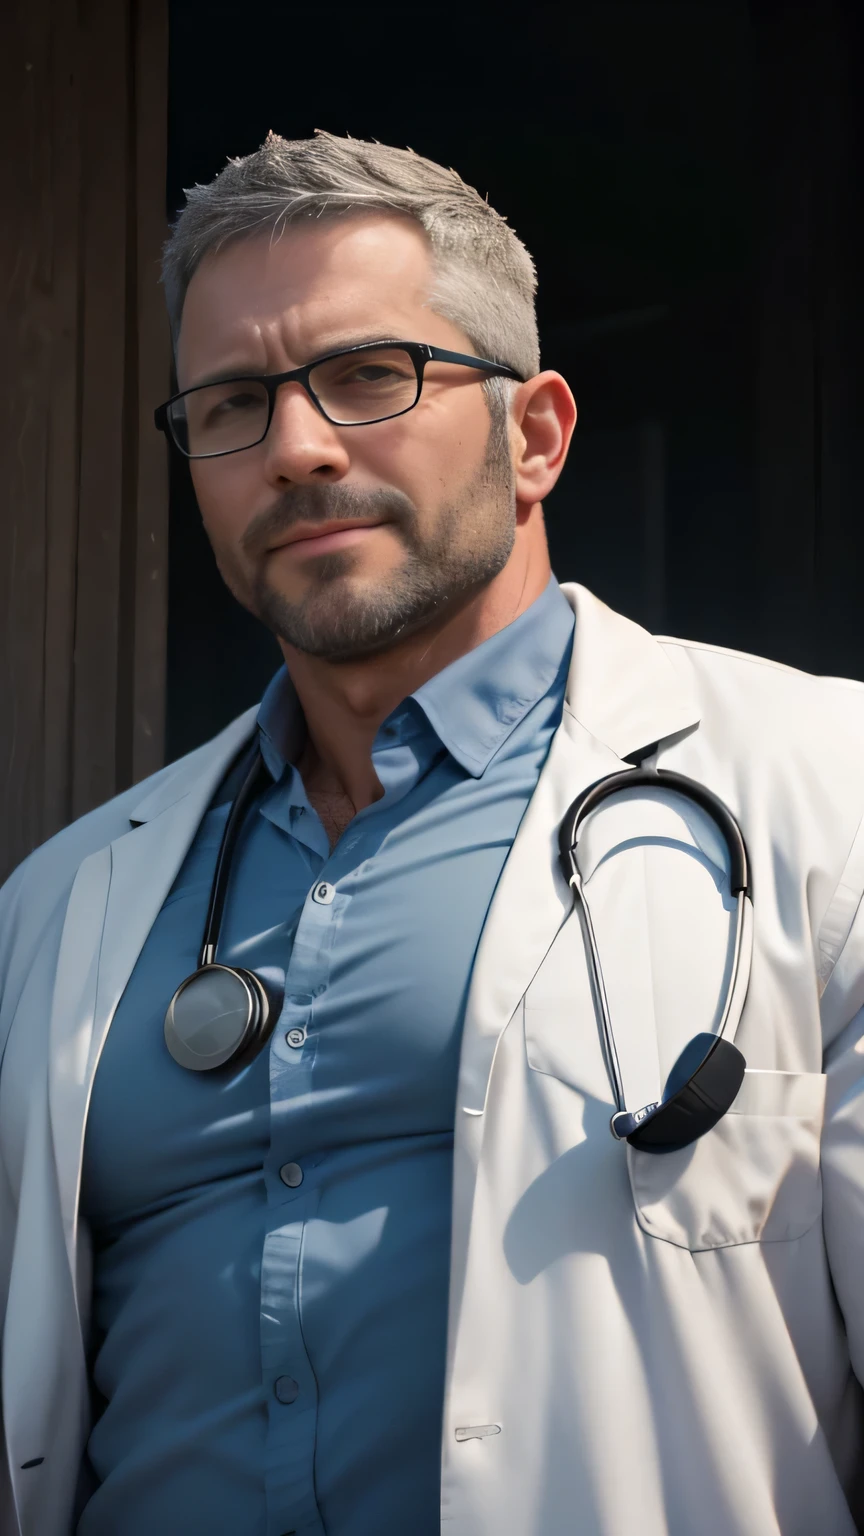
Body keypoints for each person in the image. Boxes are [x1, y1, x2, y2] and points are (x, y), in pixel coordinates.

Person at [1, 129, 863, 1536]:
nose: (294, 446)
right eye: (229, 404)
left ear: (535, 438)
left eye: (365, 376)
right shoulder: (61, 907)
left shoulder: (827, 794)